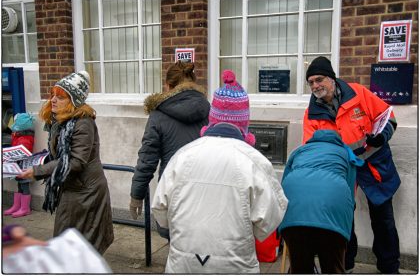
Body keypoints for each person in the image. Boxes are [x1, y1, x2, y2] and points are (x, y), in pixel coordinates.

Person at [151, 70, 288, 273]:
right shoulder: (254, 162)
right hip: (234, 266)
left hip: (184, 265)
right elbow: (269, 221)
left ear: (211, 118)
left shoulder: (182, 156)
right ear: (244, 122)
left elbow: (160, 212)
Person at [303, 56, 401, 274]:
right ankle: (345, 265)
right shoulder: (311, 114)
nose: (315, 86)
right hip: (341, 171)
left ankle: (389, 268)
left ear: (331, 79)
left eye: (319, 80)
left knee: (383, 220)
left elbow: (388, 117)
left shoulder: (359, 93)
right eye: (310, 82)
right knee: (343, 220)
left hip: (375, 166)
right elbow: (311, 147)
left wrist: (381, 137)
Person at [18, 71, 114, 255]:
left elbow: (75, 161)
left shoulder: (83, 123)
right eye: (52, 94)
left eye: (60, 96)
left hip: (86, 194)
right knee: (69, 245)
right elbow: (58, 156)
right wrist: (33, 161)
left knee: (78, 247)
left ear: (74, 101)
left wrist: (36, 171)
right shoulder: (61, 122)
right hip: (72, 189)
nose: (53, 100)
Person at [130, 61, 210, 240]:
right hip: (205, 188)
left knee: (177, 244)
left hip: (173, 189)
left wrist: (137, 194)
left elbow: (147, 160)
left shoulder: (158, 115)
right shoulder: (209, 110)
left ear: (168, 85)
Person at [279, 129, 364, 274]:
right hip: (332, 217)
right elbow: (350, 193)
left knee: (300, 267)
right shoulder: (345, 153)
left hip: (294, 217)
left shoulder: (299, 151)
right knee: (332, 267)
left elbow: (282, 188)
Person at [4, 113, 35, 218]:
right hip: (18, 165)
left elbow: (25, 151)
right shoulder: (18, 136)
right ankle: (17, 206)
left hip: (24, 166)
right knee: (19, 185)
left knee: (24, 186)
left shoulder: (25, 138)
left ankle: (25, 208)